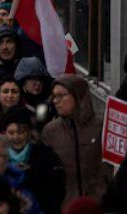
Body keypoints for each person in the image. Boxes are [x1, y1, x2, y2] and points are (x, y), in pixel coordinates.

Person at [40, 74, 108, 203]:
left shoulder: (102, 126)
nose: (55, 101)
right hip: (65, 206)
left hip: (99, 206)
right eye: (54, 96)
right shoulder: (50, 131)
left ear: (78, 96)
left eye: (61, 96)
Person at [1, 107, 64, 213]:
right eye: (11, 133)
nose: (16, 137)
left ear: (29, 132)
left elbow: (54, 190)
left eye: (20, 132)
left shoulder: (45, 155)